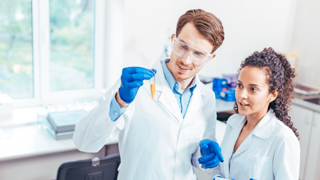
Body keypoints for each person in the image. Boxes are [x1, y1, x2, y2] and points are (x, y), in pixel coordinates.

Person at [73, 9, 225, 180]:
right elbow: (84, 142)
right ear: (173, 40)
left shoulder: (207, 97)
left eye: (198, 54)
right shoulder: (135, 87)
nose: (186, 60)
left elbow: (193, 158)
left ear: (210, 58)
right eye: (183, 46)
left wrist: (203, 154)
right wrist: (120, 101)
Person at [203, 48, 300, 180]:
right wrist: (216, 175)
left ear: (272, 95)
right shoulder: (233, 122)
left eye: (253, 89)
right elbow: (221, 168)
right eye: (240, 85)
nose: (241, 95)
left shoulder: (283, 139)